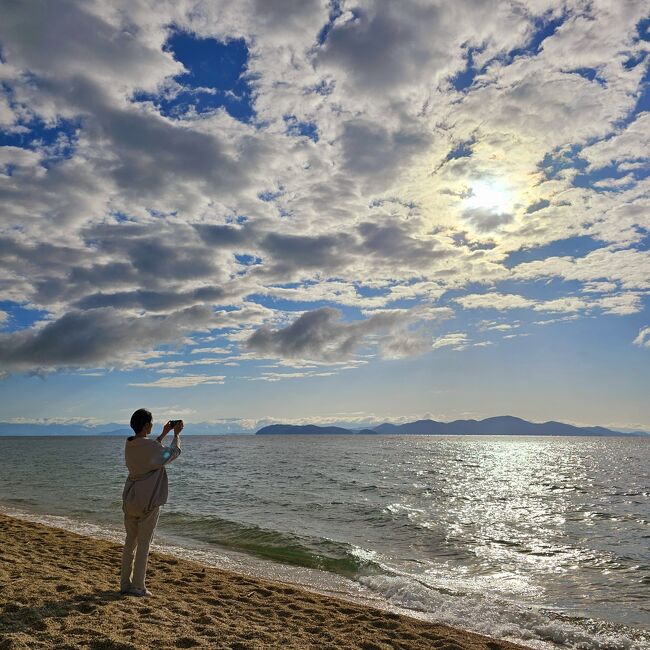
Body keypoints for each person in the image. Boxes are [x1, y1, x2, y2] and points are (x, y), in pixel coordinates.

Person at [119, 408, 183, 596]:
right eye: (151, 423)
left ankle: (125, 584)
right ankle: (138, 586)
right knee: (144, 543)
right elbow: (171, 454)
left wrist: (163, 434)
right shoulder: (149, 448)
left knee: (130, 542)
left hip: (131, 499)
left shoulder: (130, 444)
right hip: (148, 500)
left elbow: (150, 452)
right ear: (147, 425)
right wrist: (176, 435)